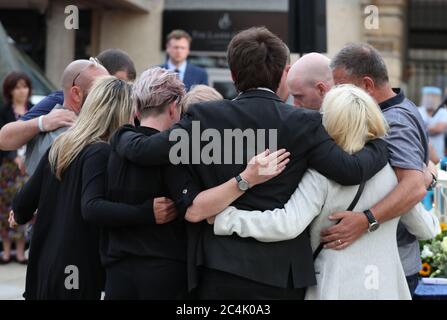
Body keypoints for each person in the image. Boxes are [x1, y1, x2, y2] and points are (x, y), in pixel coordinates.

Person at [112, 27, 389, 299]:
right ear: (284, 73)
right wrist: (381, 144)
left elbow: (144, 150)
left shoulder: (204, 118)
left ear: (233, 75)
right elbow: (350, 171)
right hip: (282, 274)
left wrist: (121, 133)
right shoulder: (304, 123)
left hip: (218, 266)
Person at [207, 85, 440, 299]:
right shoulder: (394, 175)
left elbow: (286, 224)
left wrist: (225, 218)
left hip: (333, 287)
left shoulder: (321, 176)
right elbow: (427, 229)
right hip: (386, 288)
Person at [9, 76, 158, 299]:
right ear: (121, 112)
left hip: (43, 266)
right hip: (75, 270)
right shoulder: (101, 152)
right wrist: (148, 212)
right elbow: (93, 207)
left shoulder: (62, 145)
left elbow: (21, 205)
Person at [325, 43, 431, 296]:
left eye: (342, 86)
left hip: (392, 264)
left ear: (367, 85)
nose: (335, 94)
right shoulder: (403, 108)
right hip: (389, 261)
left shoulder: (394, 121)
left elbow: (413, 186)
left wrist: (366, 220)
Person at [0, 48, 136, 152]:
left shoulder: (127, 105)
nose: (122, 91)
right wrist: (42, 123)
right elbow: (4, 138)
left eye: (128, 86)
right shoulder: (61, 100)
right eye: (116, 82)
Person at [24, 58, 108, 175]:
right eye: (102, 90)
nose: (110, 97)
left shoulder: (45, 128)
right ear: (76, 94)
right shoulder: (64, 136)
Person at [0, 71, 33, 264]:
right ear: (10, 90)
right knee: (5, 208)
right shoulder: (3, 112)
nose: (22, 91)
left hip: (29, 167)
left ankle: (21, 251)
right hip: (7, 168)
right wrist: (13, 157)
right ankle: (6, 251)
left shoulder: (37, 109)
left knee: (25, 204)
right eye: (17, 87)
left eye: (25, 86)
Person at [418, 86, 447, 159]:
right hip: (420, 155)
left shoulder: (443, 112)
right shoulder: (417, 110)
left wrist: (421, 129)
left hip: (438, 154)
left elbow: (439, 129)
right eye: (428, 96)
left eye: (434, 97)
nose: (430, 99)